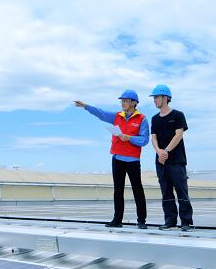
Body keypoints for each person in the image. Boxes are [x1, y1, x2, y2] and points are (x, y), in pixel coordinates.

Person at [74, 90, 150, 229]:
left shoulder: (142, 119)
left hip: (133, 161)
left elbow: (144, 140)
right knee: (118, 190)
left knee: (137, 190)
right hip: (117, 159)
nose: (122, 103)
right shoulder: (117, 116)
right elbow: (101, 113)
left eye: (125, 101)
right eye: (121, 101)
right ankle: (117, 220)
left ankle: (141, 220)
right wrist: (86, 106)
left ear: (134, 102)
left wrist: (129, 138)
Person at [149, 84, 193, 231]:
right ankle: (170, 220)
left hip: (176, 160)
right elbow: (153, 137)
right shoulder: (155, 119)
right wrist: (158, 151)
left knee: (181, 191)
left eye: (157, 97)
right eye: (154, 97)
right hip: (161, 161)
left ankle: (186, 222)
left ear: (166, 98)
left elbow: (178, 135)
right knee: (166, 192)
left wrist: (166, 151)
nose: (154, 100)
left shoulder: (178, 115)